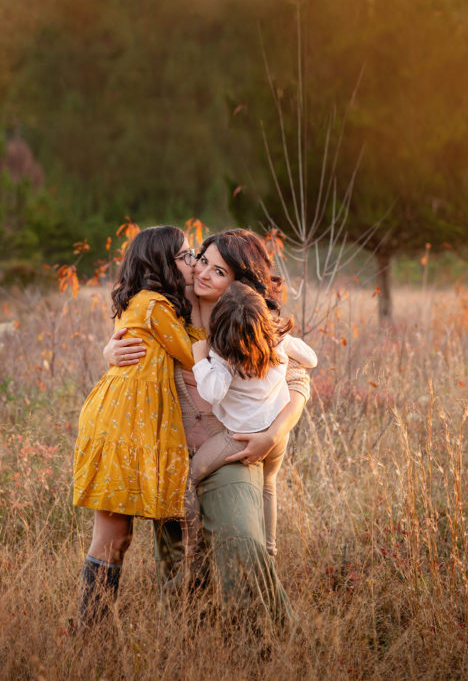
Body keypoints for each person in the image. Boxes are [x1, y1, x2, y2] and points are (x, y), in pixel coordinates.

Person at [104, 229, 312, 632]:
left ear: (238, 282)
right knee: (183, 563)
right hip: (170, 449)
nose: (202, 271)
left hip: (231, 446)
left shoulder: (244, 316)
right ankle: (194, 642)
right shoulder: (167, 307)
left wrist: (274, 434)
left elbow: (299, 378)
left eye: (218, 270)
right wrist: (109, 352)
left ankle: (268, 640)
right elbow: (128, 359)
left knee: (241, 540)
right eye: (200, 259)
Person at [72, 225, 198, 627]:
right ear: (162, 263)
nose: (192, 262)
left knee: (117, 537)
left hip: (122, 420)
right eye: (185, 256)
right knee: (113, 537)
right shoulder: (154, 305)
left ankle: (92, 629)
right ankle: (89, 631)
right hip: (124, 427)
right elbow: (192, 355)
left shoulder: (143, 302)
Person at [187, 281, 317, 560]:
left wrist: (200, 358)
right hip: (276, 433)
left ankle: (194, 551)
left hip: (237, 438)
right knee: (268, 486)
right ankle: (270, 552)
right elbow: (311, 360)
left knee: (191, 476)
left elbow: (213, 393)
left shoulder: (224, 354)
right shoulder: (278, 341)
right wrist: (283, 337)